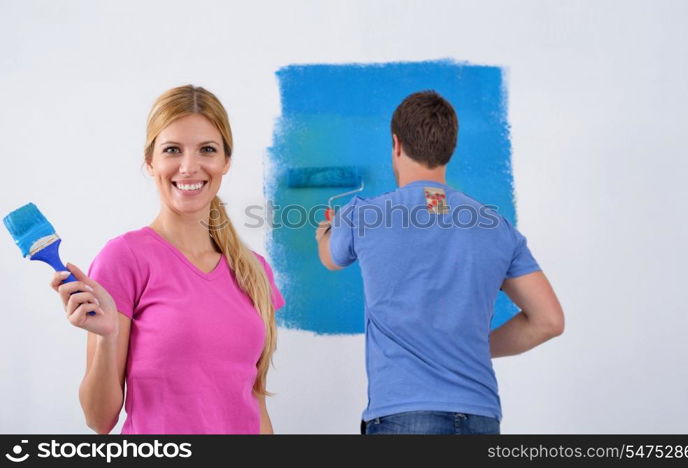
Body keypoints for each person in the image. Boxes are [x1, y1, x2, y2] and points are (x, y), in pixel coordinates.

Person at [315, 90, 564, 435]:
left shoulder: (365, 215)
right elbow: (548, 321)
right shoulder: (498, 227)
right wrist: (468, 349)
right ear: (449, 148)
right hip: (480, 417)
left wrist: (325, 231)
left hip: (404, 418)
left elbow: (331, 259)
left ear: (396, 144)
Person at [50, 85, 285, 434]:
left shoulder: (254, 270)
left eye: (207, 149)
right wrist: (108, 337)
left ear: (225, 162)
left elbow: (255, 403)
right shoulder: (124, 259)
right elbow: (99, 421)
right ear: (150, 162)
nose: (189, 167)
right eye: (172, 150)